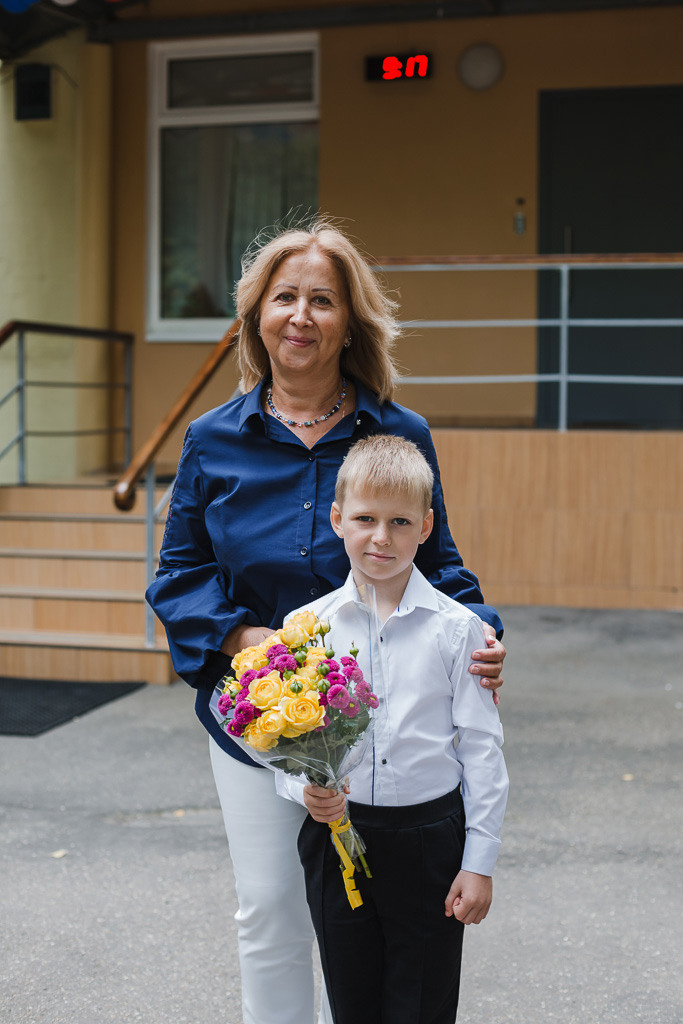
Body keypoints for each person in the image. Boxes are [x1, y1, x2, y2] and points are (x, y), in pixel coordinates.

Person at [145, 219, 506, 1024]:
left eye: (321, 299)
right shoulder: (212, 441)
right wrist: (247, 642)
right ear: (257, 318)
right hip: (262, 719)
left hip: (384, 726)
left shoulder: (397, 433)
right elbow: (177, 576)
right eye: (284, 298)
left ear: (349, 322)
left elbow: (440, 564)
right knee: (271, 908)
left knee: (373, 924)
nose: (300, 315)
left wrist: (480, 632)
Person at [283, 433, 509, 1024]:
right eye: (364, 518)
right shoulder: (305, 629)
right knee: (351, 998)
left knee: (422, 1003)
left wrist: (478, 860)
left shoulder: (459, 631)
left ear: (426, 527)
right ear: (337, 519)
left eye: (399, 522)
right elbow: (283, 741)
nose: (380, 538)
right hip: (338, 838)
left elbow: (482, 748)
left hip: (429, 840)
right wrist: (303, 791)